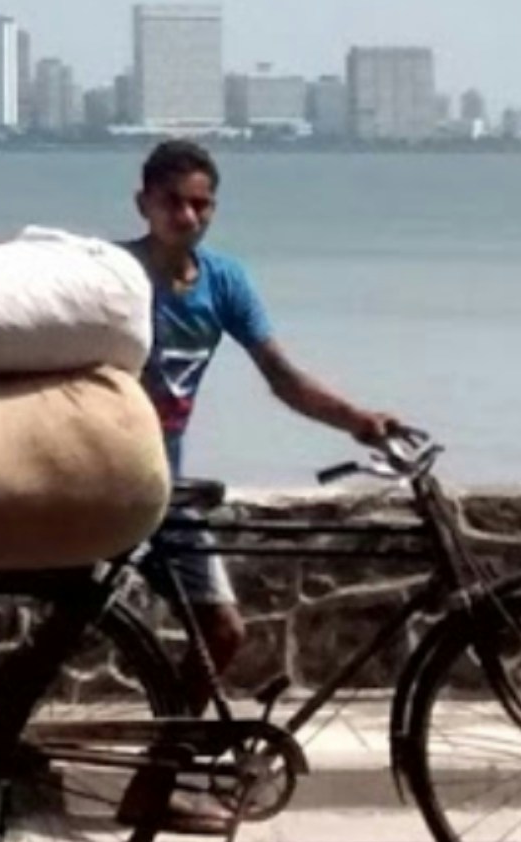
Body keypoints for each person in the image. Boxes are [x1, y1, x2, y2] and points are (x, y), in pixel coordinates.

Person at [124, 136, 404, 704]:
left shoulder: (223, 282)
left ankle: (162, 774)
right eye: (172, 202)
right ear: (143, 205)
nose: (186, 216)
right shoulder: (119, 276)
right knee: (71, 621)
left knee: (223, 632)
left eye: (200, 205)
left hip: (165, 489)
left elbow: (280, 374)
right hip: (106, 480)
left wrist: (356, 419)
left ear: (214, 209)